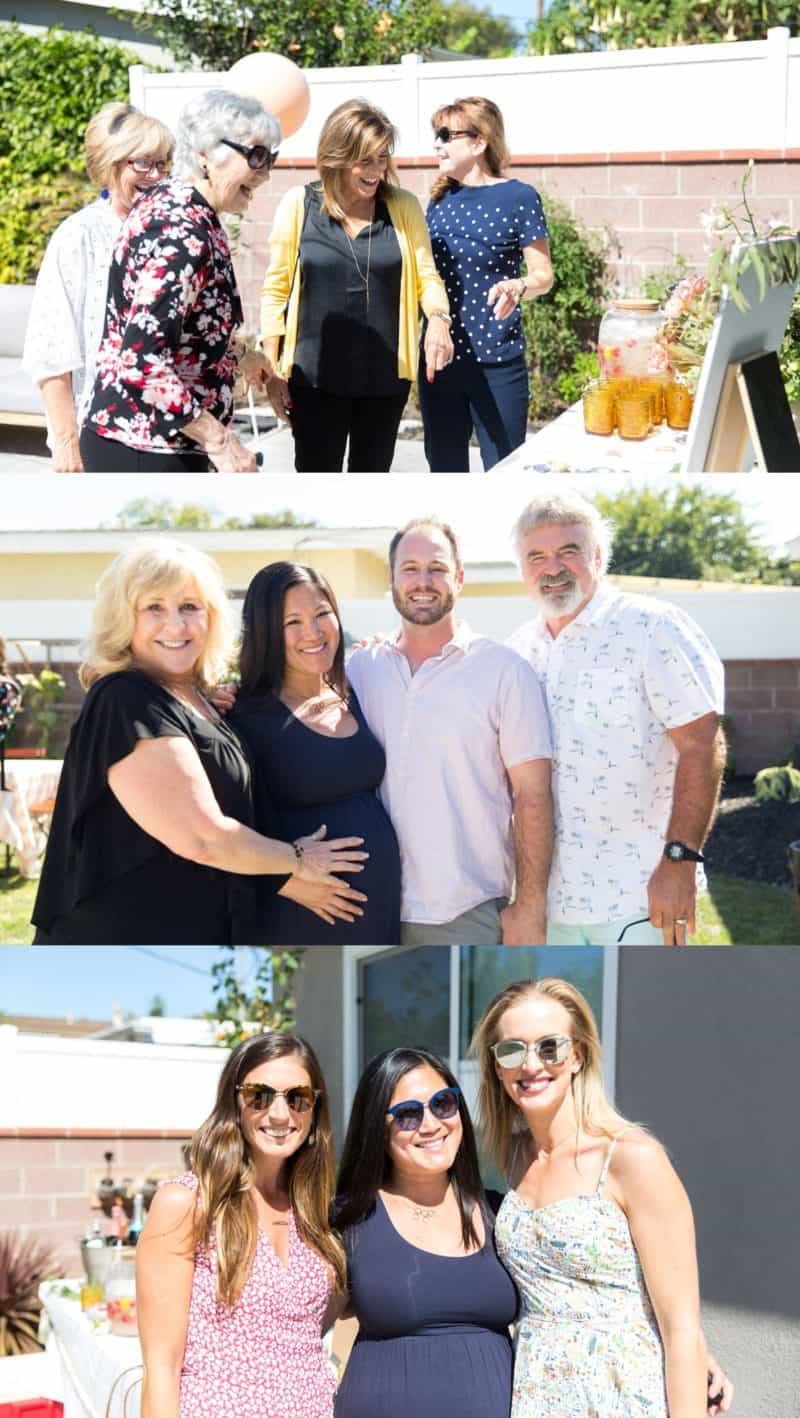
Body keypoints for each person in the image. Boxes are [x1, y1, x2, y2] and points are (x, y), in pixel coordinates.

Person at [31, 540, 367, 945]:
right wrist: (296, 862)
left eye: (190, 607)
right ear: (124, 619)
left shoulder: (193, 698)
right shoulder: (126, 700)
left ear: (211, 618)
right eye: (155, 607)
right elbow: (203, 838)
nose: (176, 625)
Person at [471, 976, 725, 1418]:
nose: (531, 1064)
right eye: (512, 1050)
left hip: (624, 1394)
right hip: (537, 1395)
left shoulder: (632, 1158)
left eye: (549, 1047)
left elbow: (682, 1328)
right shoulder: (503, 1159)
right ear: (496, 1067)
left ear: (578, 1055)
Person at [506, 489, 726, 945]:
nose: (552, 568)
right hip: (547, 904)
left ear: (599, 556)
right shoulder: (517, 651)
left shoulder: (653, 627)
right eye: (537, 557)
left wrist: (679, 862)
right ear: (522, 569)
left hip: (641, 896)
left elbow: (702, 745)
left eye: (569, 551)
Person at [346, 518, 553, 945]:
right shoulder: (357, 669)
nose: (424, 581)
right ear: (391, 580)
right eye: (410, 568)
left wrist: (530, 907)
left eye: (437, 568)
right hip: (366, 904)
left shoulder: (505, 672)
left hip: (464, 911)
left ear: (459, 579)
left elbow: (532, 794)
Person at [137, 1031, 346, 1418]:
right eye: (259, 1096)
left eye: (297, 1098)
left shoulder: (315, 1213)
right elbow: (160, 1368)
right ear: (234, 1102)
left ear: (314, 1108)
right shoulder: (189, 1203)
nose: (280, 1114)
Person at [81, 89, 279, 473]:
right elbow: (142, 358)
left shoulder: (178, 205)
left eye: (270, 158)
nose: (266, 172)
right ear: (205, 154)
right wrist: (221, 443)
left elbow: (185, 331)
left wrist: (241, 356)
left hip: (154, 442)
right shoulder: (182, 232)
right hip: (145, 448)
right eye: (255, 156)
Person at [259, 99, 453, 472]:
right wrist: (272, 368)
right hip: (312, 379)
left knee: (372, 481)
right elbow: (276, 289)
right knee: (317, 483)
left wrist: (439, 318)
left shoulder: (403, 206)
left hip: (384, 379)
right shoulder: (299, 204)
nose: (376, 171)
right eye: (365, 160)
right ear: (337, 155)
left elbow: (427, 275)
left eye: (382, 159)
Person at [333, 1046, 518, 1418]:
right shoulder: (348, 1219)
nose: (431, 1124)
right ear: (377, 1130)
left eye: (443, 1103)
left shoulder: (504, 1214)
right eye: (407, 1114)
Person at [228, 561, 401, 944]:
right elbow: (222, 832)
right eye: (292, 622)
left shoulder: (351, 691)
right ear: (265, 632)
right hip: (304, 913)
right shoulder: (242, 713)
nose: (313, 631)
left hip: (381, 914)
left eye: (322, 614)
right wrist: (284, 881)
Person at [21, 102, 174, 472]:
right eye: (142, 163)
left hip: (169, 433)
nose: (154, 175)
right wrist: (66, 442)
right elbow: (52, 348)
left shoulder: (171, 230)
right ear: (111, 164)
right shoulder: (79, 235)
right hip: (102, 435)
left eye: (162, 163)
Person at [420, 97, 553, 472]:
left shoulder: (519, 197)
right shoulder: (440, 199)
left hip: (497, 364)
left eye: (446, 135)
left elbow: (543, 275)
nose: (437, 144)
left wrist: (519, 286)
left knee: (505, 474)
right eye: (436, 135)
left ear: (479, 143)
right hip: (440, 362)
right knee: (445, 475)